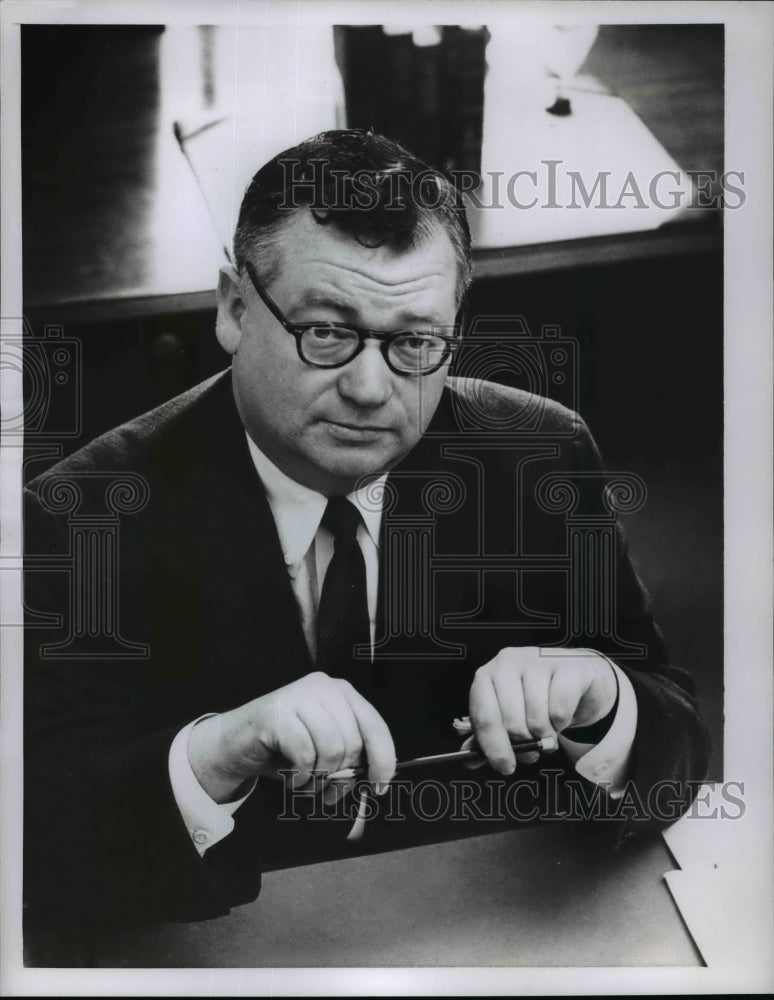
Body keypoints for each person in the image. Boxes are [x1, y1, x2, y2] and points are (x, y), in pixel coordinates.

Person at [23, 130, 710, 950]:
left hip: (491, 924)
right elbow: (37, 839)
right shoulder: (82, 514)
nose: (369, 387)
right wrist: (214, 751)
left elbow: (677, 732)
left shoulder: (540, 456)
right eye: (325, 331)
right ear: (235, 310)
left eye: (415, 343)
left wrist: (607, 699)